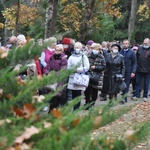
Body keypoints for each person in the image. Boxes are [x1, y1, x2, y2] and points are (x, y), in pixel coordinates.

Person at [67, 42, 90, 110]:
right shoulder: (71, 57)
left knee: (78, 93)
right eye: (75, 47)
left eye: (78, 47)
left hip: (80, 77)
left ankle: (76, 109)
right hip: (72, 77)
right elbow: (68, 66)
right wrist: (71, 70)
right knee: (73, 94)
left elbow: (87, 67)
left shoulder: (84, 57)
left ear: (81, 48)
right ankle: (74, 107)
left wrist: (77, 69)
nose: (76, 49)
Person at [84, 43, 106, 109]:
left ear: (99, 49)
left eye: (96, 48)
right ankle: (87, 103)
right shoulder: (88, 55)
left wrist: (96, 67)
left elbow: (103, 67)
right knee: (87, 90)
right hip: (89, 74)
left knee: (94, 90)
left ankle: (92, 104)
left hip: (97, 76)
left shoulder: (101, 57)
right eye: (93, 48)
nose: (94, 50)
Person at [47, 44, 68, 110]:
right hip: (51, 78)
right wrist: (47, 73)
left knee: (58, 95)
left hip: (59, 79)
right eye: (56, 50)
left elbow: (63, 70)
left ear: (62, 51)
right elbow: (47, 67)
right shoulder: (51, 57)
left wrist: (54, 74)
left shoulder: (64, 59)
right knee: (51, 95)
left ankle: (58, 110)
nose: (57, 52)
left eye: (59, 50)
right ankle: (51, 110)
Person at [120, 39, 137, 104]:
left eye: (126, 44)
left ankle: (124, 98)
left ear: (129, 44)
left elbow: (135, 62)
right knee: (120, 84)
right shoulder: (120, 51)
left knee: (126, 84)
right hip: (121, 71)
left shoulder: (132, 52)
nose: (125, 45)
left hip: (128, 70)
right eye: (124, 43)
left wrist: (133, 71)